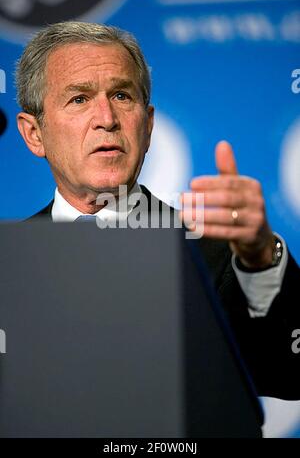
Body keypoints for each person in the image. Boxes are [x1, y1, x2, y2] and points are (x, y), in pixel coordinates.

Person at [16, 21, 299, 400]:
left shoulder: (214, 254)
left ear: (147, 127)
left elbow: (288, 372)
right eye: (79, 99)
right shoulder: (9, 264)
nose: (106, 118)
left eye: (121, 96)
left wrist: (261, 259)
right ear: (35, 134)